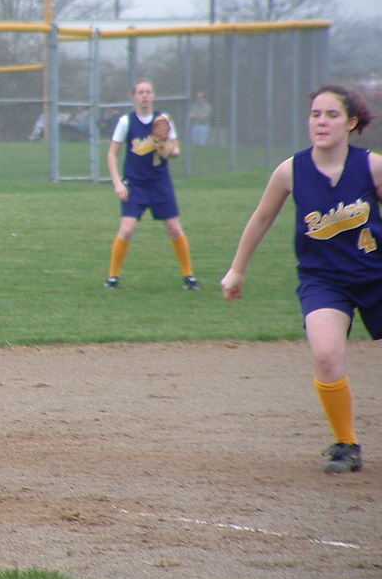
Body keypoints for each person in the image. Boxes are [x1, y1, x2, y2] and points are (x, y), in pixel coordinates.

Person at [220, 83, 381, 474]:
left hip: (376, 274)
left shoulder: (372, 166)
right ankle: (346, 444)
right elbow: (261, 217)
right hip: (323, 280)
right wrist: (237, 268)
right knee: (326, 354)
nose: (321, 122)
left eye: (331, 115)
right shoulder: (291, 170)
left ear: (351, 122)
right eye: (315, 115)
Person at [105, 78, 199, 291]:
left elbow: (174, 150)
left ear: (153, 95)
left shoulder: (163, 121)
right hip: (135, 183)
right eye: (140, 92)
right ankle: (112, 277)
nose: (145, 95)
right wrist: (117, 182)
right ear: (134, 97)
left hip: (159, 182)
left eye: (148, 92)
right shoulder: (126, 122)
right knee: (126, 231)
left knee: (175, 229)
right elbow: (112, 154)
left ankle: (189, 276)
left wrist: (171, 151)